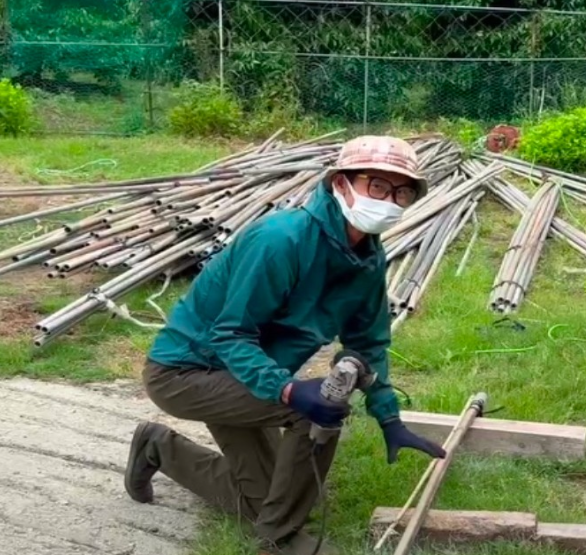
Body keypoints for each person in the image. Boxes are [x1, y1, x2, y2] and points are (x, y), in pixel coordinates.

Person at [123, 135, 448, 555]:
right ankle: (278, 540)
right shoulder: (282, 239)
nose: (389, 201)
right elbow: (230, 334)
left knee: (263, 500)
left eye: (402, 192)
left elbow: (367, 343)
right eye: (378, 186)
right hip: (186, 373)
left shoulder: (367, 258)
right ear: (341, 183)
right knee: (316, 413)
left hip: (245, 375)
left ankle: (157, 447)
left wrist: (390, 418)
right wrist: (288, 390)